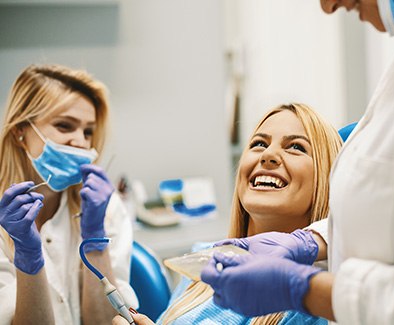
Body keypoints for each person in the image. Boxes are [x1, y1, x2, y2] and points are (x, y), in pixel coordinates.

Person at [200, 0, 394, 324]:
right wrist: (312, 240)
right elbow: (393, 213)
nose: (328, 6)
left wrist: (303, 289)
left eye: (297, 148)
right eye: (258, 143)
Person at [112, 103, 343, 324]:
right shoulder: (203, 260)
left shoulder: (313, 302)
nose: (268, 155)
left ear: (327, 179)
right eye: (258, 144)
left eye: (296, 147)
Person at [0, 64, 138, 324]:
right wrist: (27, 255)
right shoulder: (4, 213)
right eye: (65, 126)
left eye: (88, 131)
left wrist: (94, 237)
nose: (82, 142)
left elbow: (106, 323)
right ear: (20, 129)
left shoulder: (104, 207)